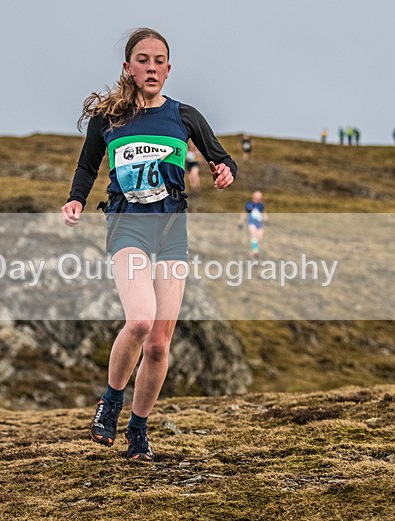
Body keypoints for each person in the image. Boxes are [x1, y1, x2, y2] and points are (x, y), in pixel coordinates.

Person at [61, 28, 236, 462]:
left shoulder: (184, 116)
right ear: (128, 68)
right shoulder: (109, 120)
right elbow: (87, 166)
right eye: (142, 59)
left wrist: (224, 170)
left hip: (171, 233)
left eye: (159, 60)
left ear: (169, 69)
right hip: (127, 228)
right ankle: (111, 400)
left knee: (159, 344)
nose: (151, 67)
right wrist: (75, 199)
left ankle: (137, 432)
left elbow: (221, 156)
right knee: (139, 320)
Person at [238, 190, 268, 258]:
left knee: (259, 237)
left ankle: (253, 250)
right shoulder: (249, 204)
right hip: (251, 223)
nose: (257, 199)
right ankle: (255, 251)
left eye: (259, 198)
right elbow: (244, 212)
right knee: (254, 235)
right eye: (256, 197)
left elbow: (263, 212)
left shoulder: (261, 205)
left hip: (259, 224)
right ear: (253, 197)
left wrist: (266, 218)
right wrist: (241, 221)